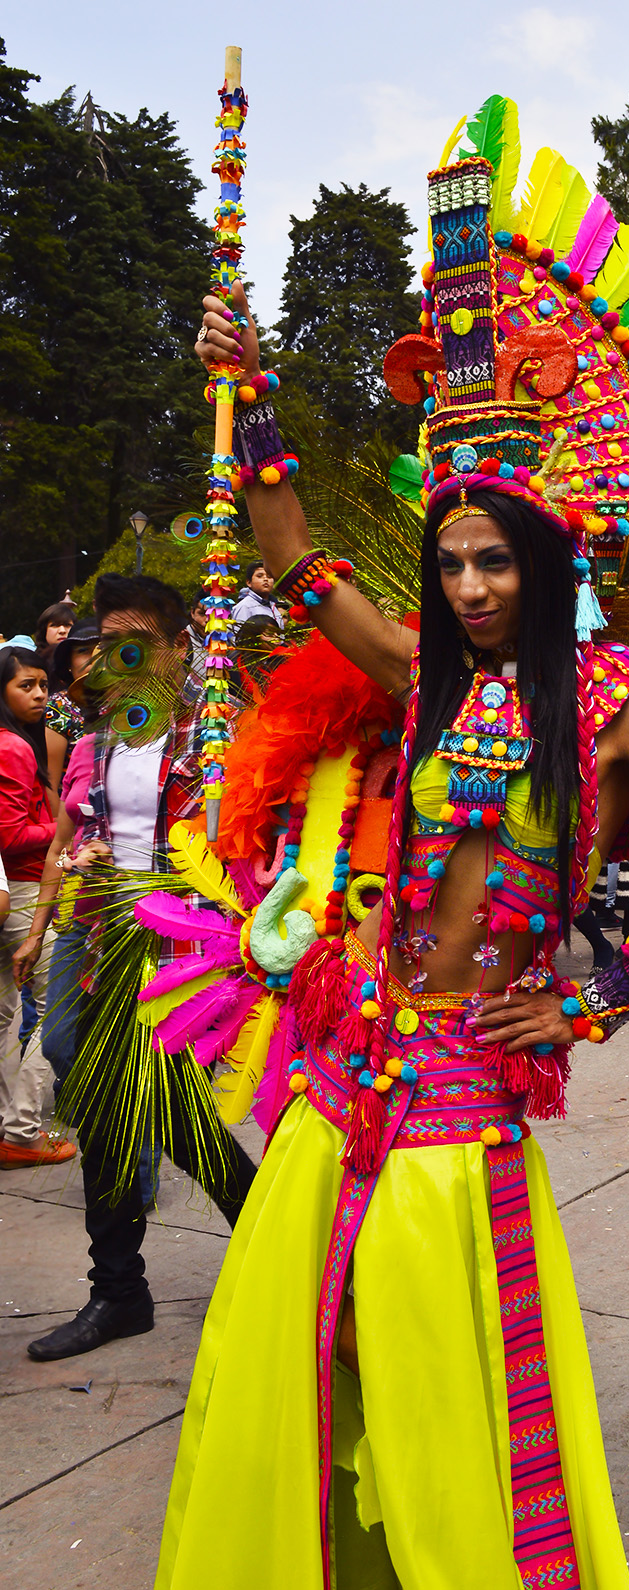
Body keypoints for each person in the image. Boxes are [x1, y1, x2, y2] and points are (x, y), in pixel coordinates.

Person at [157, 164, 629, 1583]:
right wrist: (260, 383)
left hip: (473, 1080)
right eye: (456, 561)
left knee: (446, 1368)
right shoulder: (420, 680)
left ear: (544, 562)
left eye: (497, 562)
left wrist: (596, 1004)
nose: (473, 586)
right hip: (348, 1056)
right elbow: (290, 556)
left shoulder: (614, 696)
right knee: (287, 1341)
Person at [16, 573, 259, 1361]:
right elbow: (68, 836)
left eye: (138, 643)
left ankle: (267, 1257)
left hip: (184, 953)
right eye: (108, 644)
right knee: (108, 1103)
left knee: (163, 1112)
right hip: (100, 946)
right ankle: (120, 1291)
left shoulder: (220, 741)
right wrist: (65, 892)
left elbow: (254, 853)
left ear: (178, 646)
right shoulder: (95, 742)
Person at [0, 646, 71, 1167]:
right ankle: (22, 1129)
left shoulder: (21, 743)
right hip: (24, 891)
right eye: (27, 685)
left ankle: (12, 1128)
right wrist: (69, 830)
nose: (41, 694)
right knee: (53, 1011)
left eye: (44, 684)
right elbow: (10, 833)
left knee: (7, 1015)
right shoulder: (11, 748)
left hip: (17, 891)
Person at [44, 617, 99, 788]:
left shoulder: (131, 703)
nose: (93, 659)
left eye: (100, 650)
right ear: (69, 663)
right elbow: (50, 785)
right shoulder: (59, 707)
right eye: (83, 651)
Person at [231, 560, 284, 632]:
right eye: (260, 576)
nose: (265, 579)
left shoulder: (273, 606)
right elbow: (237, 638)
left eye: (269, 576)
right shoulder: (245, 606)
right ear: (249, 582)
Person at [33, 600, 76, 679]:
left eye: (67, 625)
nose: (62, 631)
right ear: (44, 630)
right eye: (55, 625)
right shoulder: (34, 663)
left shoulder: (81, 659)